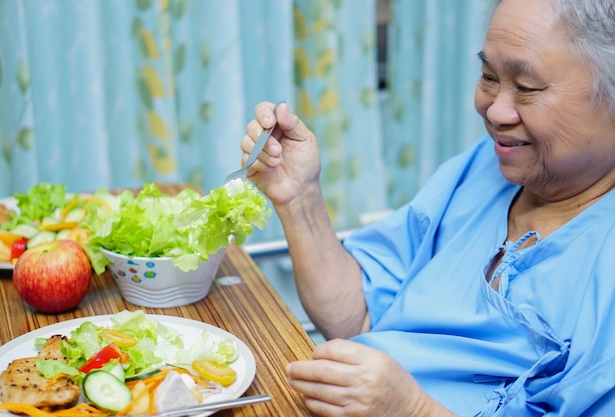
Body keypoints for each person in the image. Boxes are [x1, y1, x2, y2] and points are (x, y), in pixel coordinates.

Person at [237, 0, 615, 415]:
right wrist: (298, 198)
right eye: (489, 76)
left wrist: (414, 410)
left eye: (526, 88)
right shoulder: (476, 173)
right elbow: (358, 319)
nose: (495, 110)